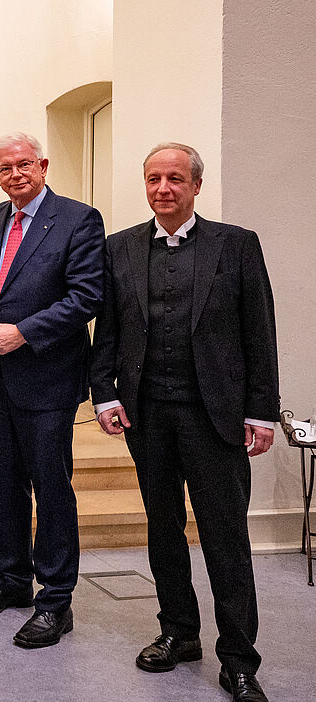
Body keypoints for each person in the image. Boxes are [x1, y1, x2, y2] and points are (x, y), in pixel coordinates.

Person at [91, 143, 279, 702]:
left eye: (175, 179)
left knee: (225, 537)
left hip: (215, 417)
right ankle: (178, 632)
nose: (163, 189)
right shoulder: (119, 247)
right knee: (163, 529)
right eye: (153, 179)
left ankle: (239, 658)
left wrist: (260, 410)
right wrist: (104, 393)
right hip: (147, 414)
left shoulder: (236, 245)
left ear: (196, 185)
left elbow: (259, 333)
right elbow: (110, 329)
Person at [0, 132, 105, 648]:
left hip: (47, 375)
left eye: (24, 164)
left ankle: (55, 600)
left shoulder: (78, 219)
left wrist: (24, 332)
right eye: (4, 169)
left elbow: (86, 296)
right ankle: (11, 580)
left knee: (51, 487)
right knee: (3, 486)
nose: (15, 174)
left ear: (43, 164)